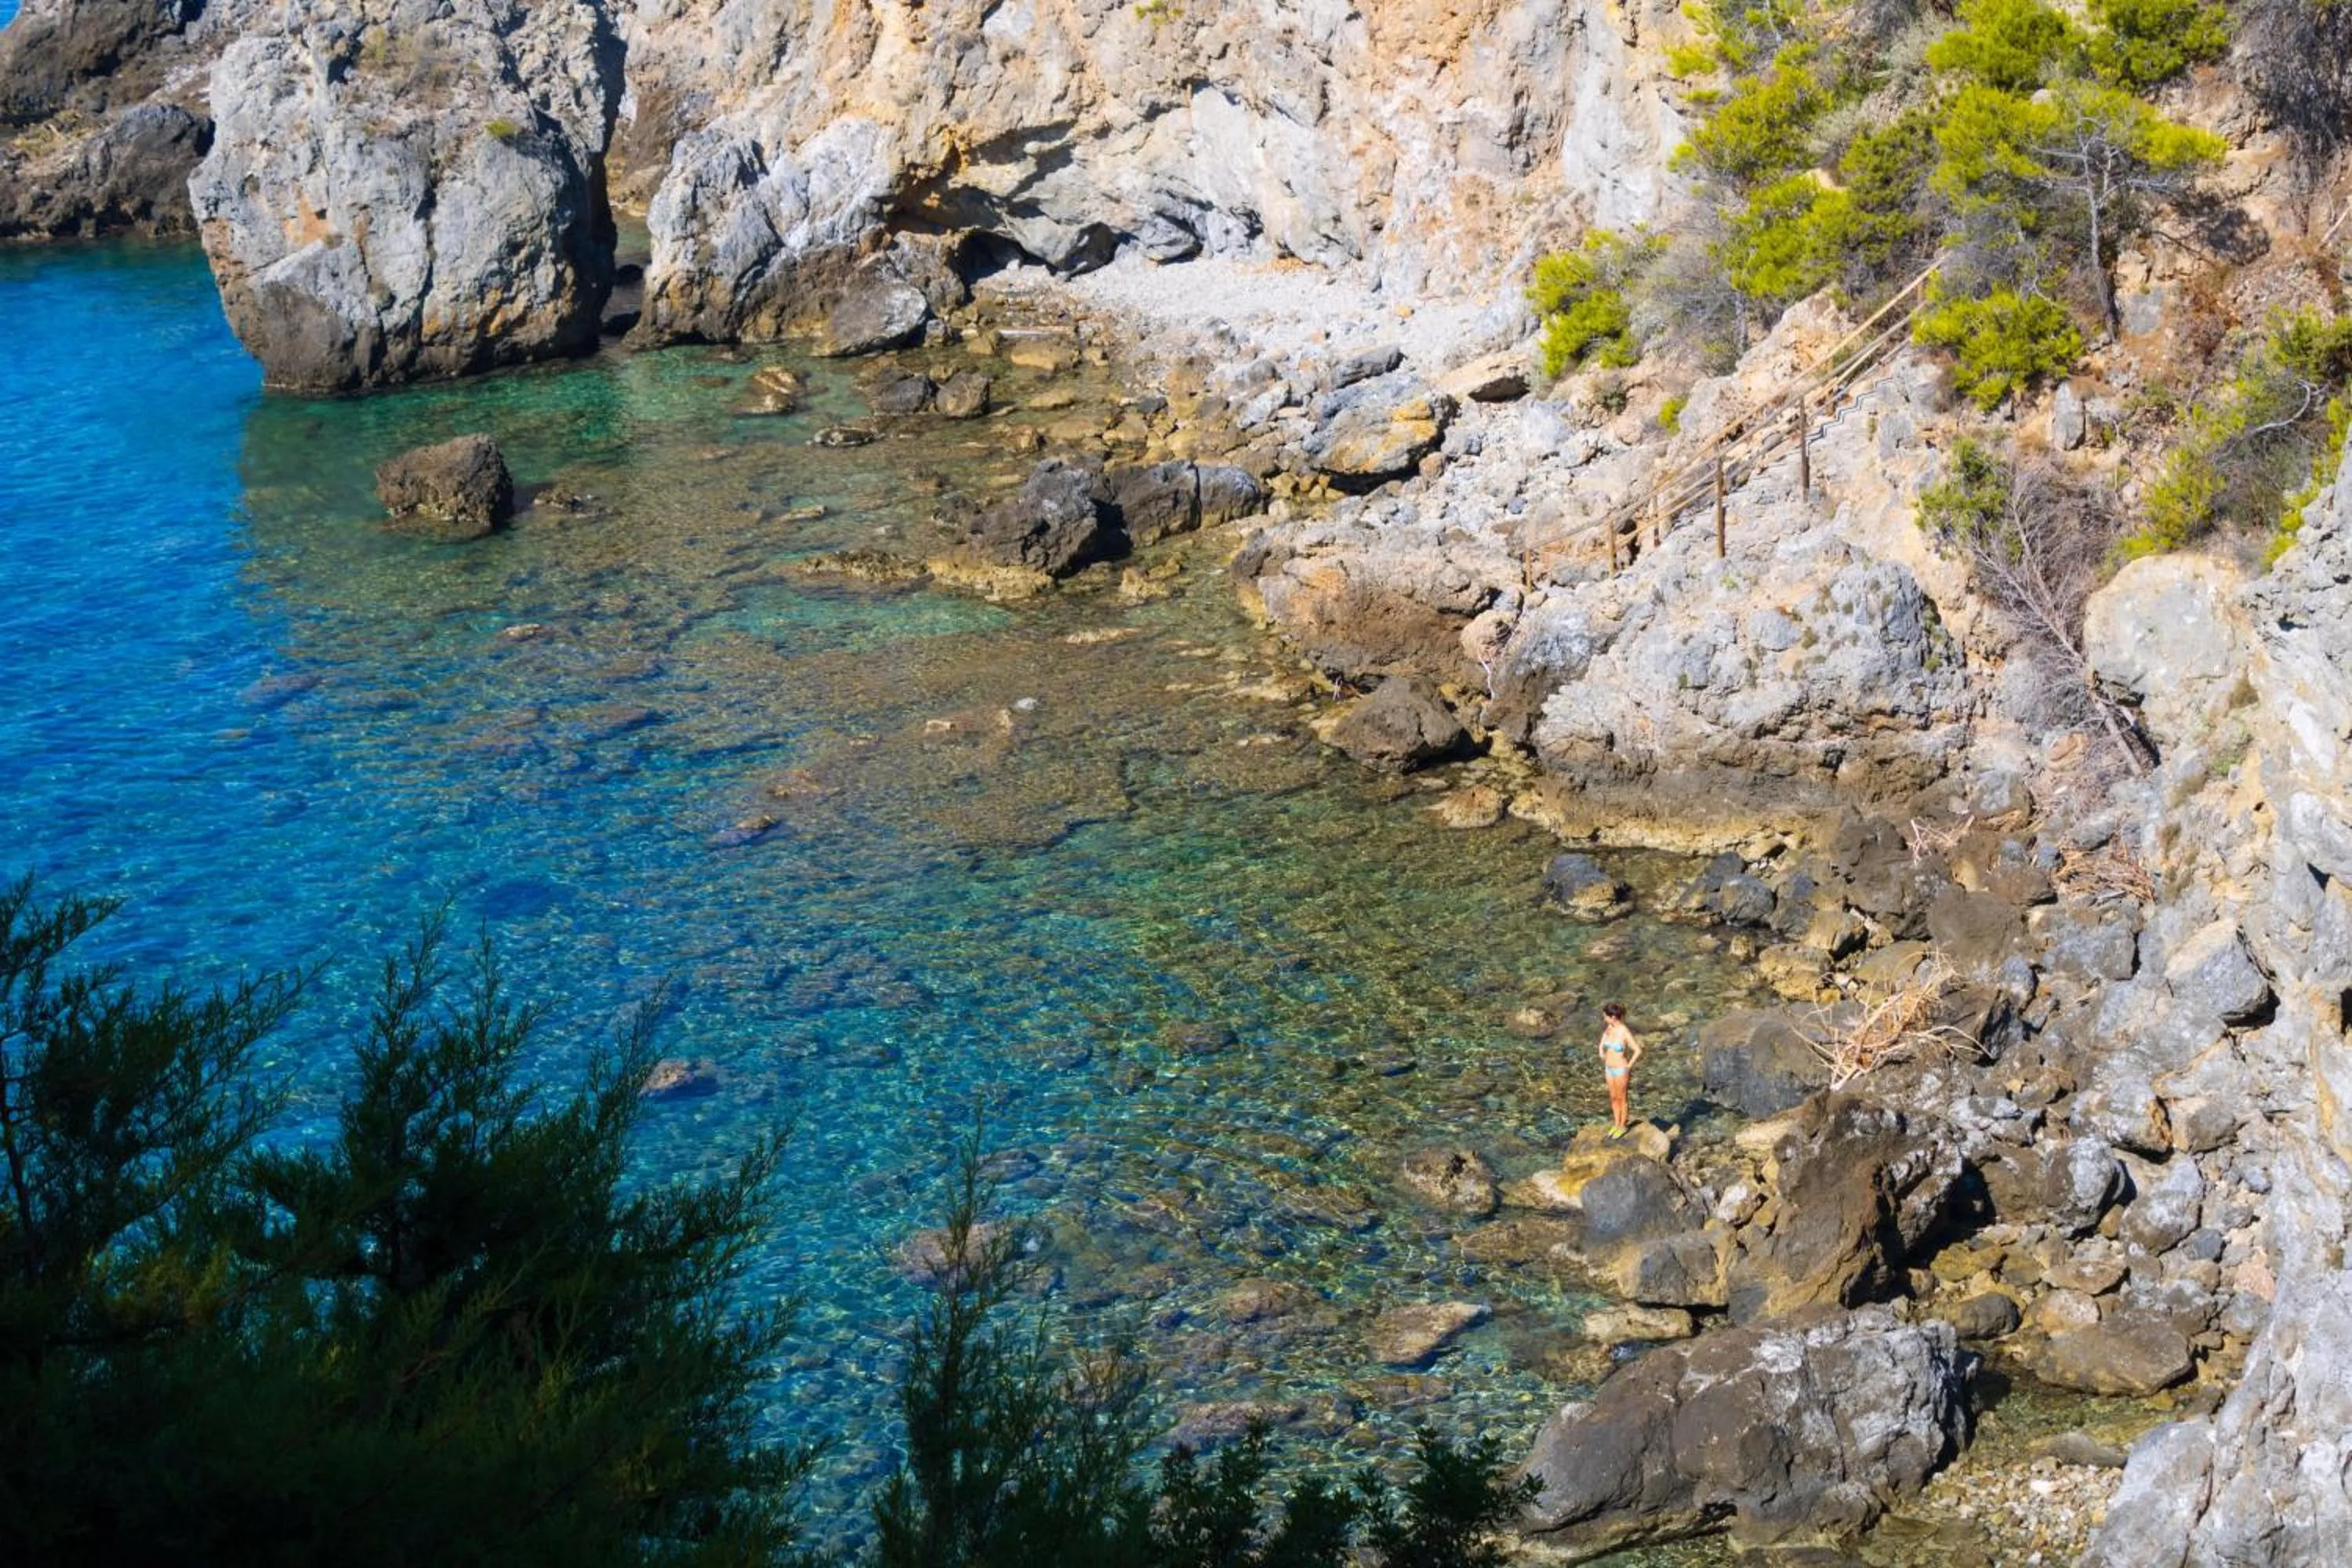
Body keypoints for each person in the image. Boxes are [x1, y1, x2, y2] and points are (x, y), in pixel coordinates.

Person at [1596, 1002, 1642, 1138]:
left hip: (1621, 1070)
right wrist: (1600, 1049)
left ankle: (1623, 1126)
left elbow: (1638, 1050)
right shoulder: (1610, 1027)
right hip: (1609, 1068)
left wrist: (1628, 1066)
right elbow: (1604, 1038)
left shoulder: (1624, 1032)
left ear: (1613, 1017)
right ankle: (1616, 1124)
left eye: (1606, 1016)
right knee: (1614, 1098)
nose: (1604, 1018)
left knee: (1622, 1099)